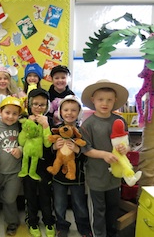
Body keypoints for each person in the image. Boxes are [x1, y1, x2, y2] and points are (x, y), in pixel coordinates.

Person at [80, 79, 129, 237]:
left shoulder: (119, 121)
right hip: (96, 177)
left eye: (109, 100)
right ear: (93, 100)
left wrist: (124, 149)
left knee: (113, 208)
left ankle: (111, 233)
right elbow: (86, 149)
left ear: (115, 101)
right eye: (101, 99)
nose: (105, 103)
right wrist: (104, 155)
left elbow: (126, 146)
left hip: (115, 176)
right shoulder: (87, 125)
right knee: (98, 210)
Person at [51, 95, 92, 237]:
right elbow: (50, 153)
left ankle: (83, 227)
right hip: (58, 176)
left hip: (78, 177)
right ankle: (61, 226)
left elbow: (87, 153)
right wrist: (54, 147)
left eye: (73, 110)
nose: (69, 113)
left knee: (79, 204)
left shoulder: (82, 132)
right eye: (66, 110)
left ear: (79, 112)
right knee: (59, 204)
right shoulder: (55, 130)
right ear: (60, 112)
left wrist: (77, 150)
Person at [23, 88, 56, 237]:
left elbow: (48, 144)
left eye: (42, 105)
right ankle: (32, 221)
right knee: (30, 195)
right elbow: (22, 141)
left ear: (47, 106)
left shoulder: (49, 121)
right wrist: (28, 126)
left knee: (45, 195)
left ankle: (49, 221)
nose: (38, 107)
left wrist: (45, 126)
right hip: (28, 165)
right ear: (29, 105)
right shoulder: (24, 120)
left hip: (44, 165)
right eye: (35, 104)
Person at [0, 96, 23, 236]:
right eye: (7, 112)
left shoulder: (21, 125)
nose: (11, 116)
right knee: (5, 198)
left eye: (15, 114)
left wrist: (20, 149)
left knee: (10, 198)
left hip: (15, 170)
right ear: (0, 111)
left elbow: (28, 141)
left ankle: (12, 222)